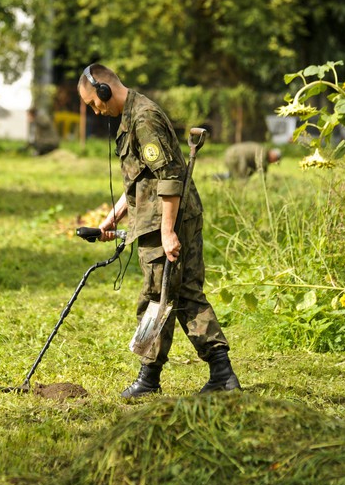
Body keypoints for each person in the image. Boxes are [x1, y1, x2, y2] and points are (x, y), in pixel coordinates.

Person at [77, 63, 241, 399]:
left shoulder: (143, 119)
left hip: (168, 219)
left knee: (158, 295)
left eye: (94, 103)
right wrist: (114, 216)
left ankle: (149, 379)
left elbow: (169, 177)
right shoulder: (132, 117)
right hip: (167, 215)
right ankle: (222, 374)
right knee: (185, 294)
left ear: (105, 90)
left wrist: (167, 232)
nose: (96, 111)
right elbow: (143, 178)